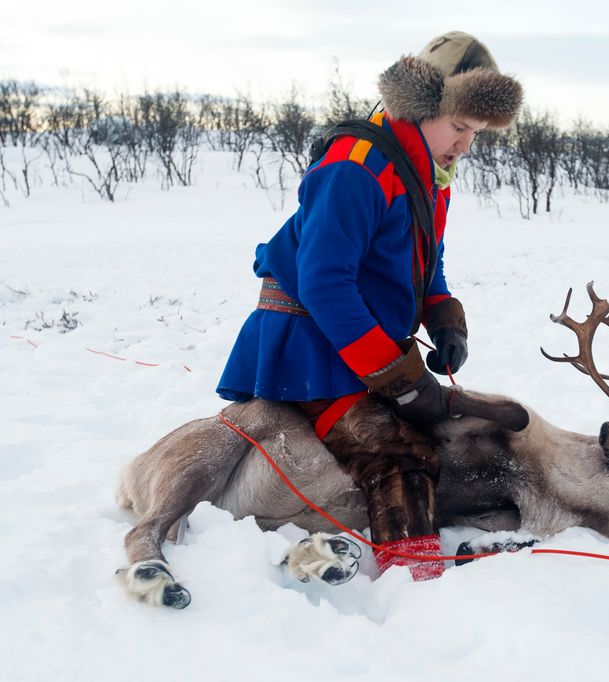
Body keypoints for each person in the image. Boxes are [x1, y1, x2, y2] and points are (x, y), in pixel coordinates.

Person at [216, 32, 523, 581]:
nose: (465, 146)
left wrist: (443, 315)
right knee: (400, 451)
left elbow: (425, 264)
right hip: (311, 349)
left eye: (476, 134)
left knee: (448, 433)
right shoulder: (356, 165)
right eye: (460, 128)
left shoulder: (430, 174)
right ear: (424, 107)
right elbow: (325, 283)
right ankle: (414, 578)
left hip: (359, 341)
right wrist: (399, 378)